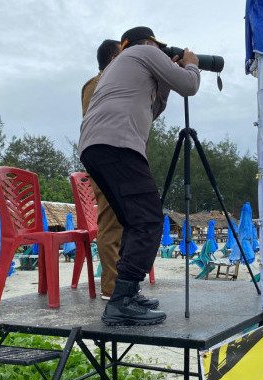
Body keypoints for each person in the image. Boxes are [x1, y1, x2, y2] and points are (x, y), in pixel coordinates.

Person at [79, 26, 200, 326]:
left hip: (94, 148)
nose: (158, 51)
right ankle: (120, 301)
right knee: (149, 220)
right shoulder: (142, 51)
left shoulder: (115, 70)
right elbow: (190, 85)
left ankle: (127, 293)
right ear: (146, 43)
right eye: (155, 47)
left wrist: (165, 77)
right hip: (119, 144)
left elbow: (152, 110)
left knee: (133, 222)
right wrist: (192, 63)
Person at [81, 39, 123, 301]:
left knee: (121, 221)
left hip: (109, 160)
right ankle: (111, 286)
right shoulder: (99, 85)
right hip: (106, 161)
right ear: (112, 60)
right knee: (111, 222)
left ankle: (120, 282)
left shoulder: (97, 84)